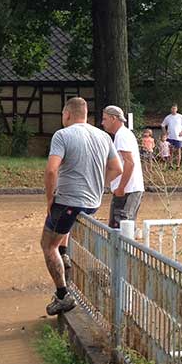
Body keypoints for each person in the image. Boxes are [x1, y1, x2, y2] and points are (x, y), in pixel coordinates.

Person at [42, 97, 123, 316]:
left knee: (47, 245)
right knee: (62, 233)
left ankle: (62, 295)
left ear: (67, 114)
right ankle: (65, 255)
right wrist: (100, 185)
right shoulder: (103, 136)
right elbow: (117, 169)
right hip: (92, 203)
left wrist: (50, 199)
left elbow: (51, 171)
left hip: (69, 201)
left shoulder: (62, 135)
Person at [100, 105, 145, 229]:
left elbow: (129, 163)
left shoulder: (122, 136)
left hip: (127, 191)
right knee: (121, 229)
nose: (102, 123)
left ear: (113, 118)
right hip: (127, 189)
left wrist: (121, 187)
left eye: (105, 119)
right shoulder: (123, 134)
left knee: (120, 229)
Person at [161, 105, 182, 169]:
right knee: (170, 151)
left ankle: (178, 165)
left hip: (178, 137)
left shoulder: (180, 116)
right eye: (172, 108)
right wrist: (165, 133)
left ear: (176, 109)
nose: (173, 110)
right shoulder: (168, 117)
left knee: (178, 151)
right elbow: (163, 125)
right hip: (170, 137)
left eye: (174, 108)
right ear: (170, 109)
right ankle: (170, 165)